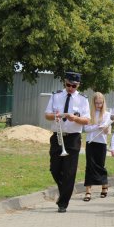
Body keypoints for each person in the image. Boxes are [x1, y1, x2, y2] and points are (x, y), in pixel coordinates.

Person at [45, 72, 90, 213]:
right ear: (65, 83)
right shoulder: (56, 95)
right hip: (57, 135)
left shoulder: (83, 99)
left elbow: (87, 120)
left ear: (78, 85)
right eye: (68, 85)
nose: (70, 88)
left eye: (74, 86)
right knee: (55, 169)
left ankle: (63, 203)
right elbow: (47, 115)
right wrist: (55, 116)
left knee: (69, 172)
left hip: (73, 138)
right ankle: (65, 190)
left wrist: (75, 119)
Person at [83, 92, 111, 201]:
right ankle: (88, 191)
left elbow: (107, 132)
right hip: (91, 142)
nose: (98, 105)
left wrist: (105, 129)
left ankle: (104, 185)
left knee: (101, 165)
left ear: (103, 102)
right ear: (93, 103)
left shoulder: (107, 114)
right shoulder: (89, 114)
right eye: (96, 103)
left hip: (102, 143)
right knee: (89, 165)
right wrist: (97, 126)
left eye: (101, 103)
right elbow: (86, 129)